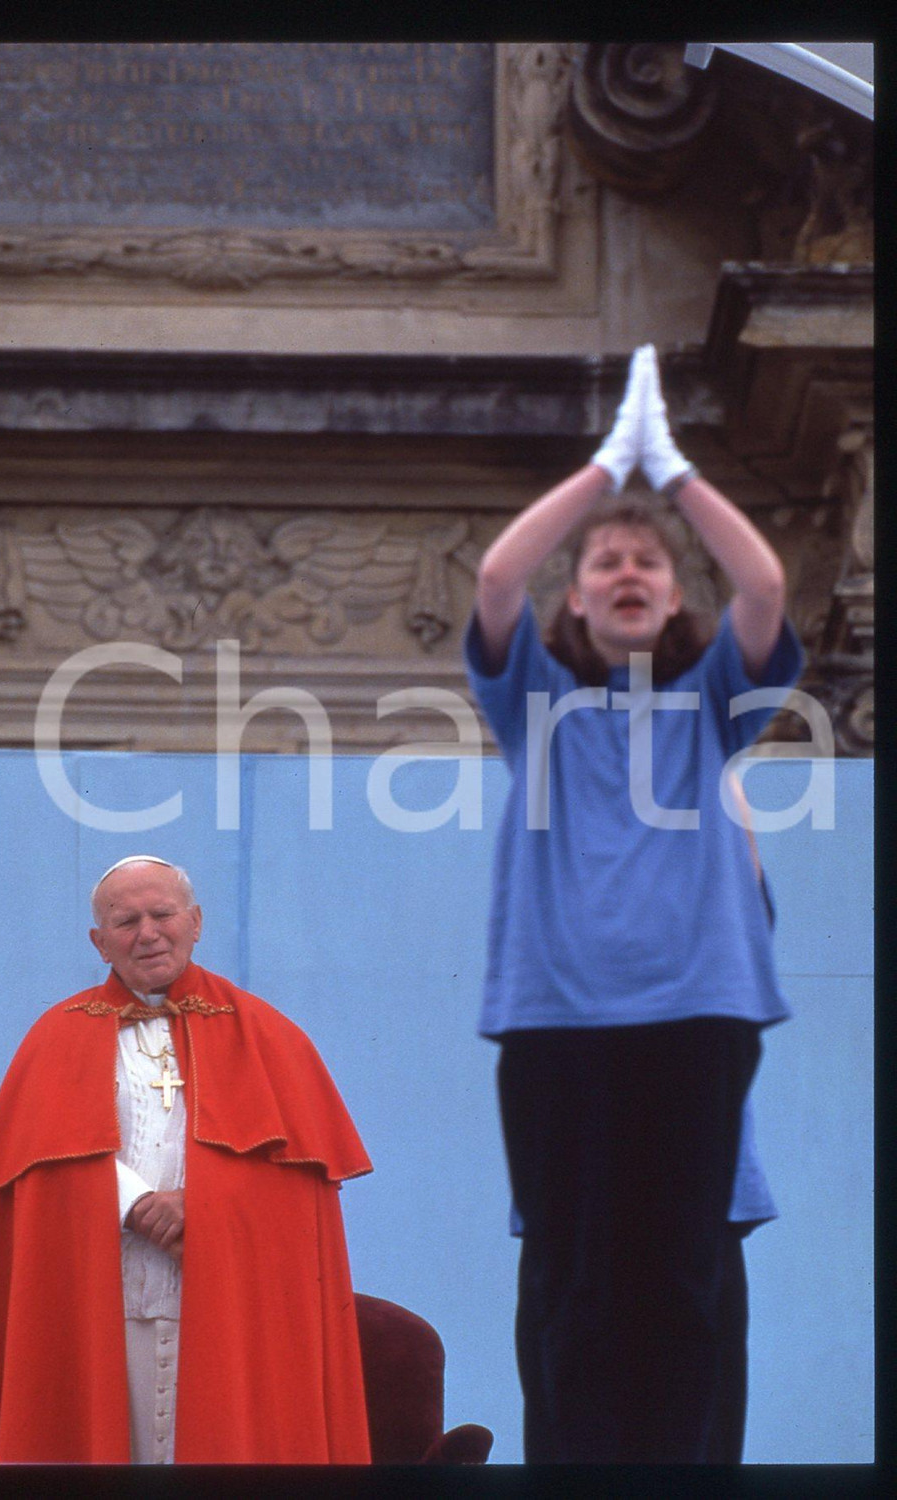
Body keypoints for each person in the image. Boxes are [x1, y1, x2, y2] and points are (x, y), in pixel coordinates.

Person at [465, 345, 804, 1464]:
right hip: (557, 1021)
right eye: (604, 561)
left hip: (695, 1020)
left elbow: (760, 588)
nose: (625, 571)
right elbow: (495, 585)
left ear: (669, 599)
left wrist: (678, 477)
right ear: (581, 595)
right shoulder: (538, 710)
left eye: (646, 564)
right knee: (569, 1286)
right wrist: (605, 468)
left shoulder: (712, 712)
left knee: (680, 1287)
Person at [0, 855, 373, 1465]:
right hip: (99, 1301)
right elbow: (39, 1171)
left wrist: (203, 1203)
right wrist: (134, 1204)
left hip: (229, 1311)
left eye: (162, 914)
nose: (147, 932)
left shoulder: (271, 1036)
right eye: (125, 921)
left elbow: (297, 1195)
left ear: (196, 922)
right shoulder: (54, 1036)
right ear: (99, 942)